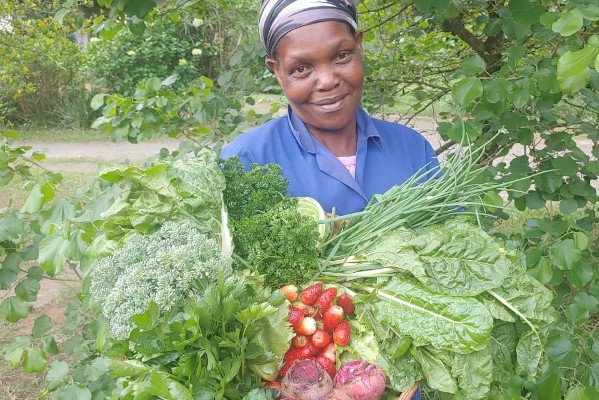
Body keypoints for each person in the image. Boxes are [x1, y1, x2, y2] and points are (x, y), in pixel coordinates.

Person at [221, 1, 436, 396]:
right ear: (276, 71)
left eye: (341, 57)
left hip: (414, 379)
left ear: (359, 46)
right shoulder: (246, 160)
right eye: (301, 68)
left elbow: (450, 251)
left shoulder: (412, 150)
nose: (327, 81)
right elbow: (234, 300)